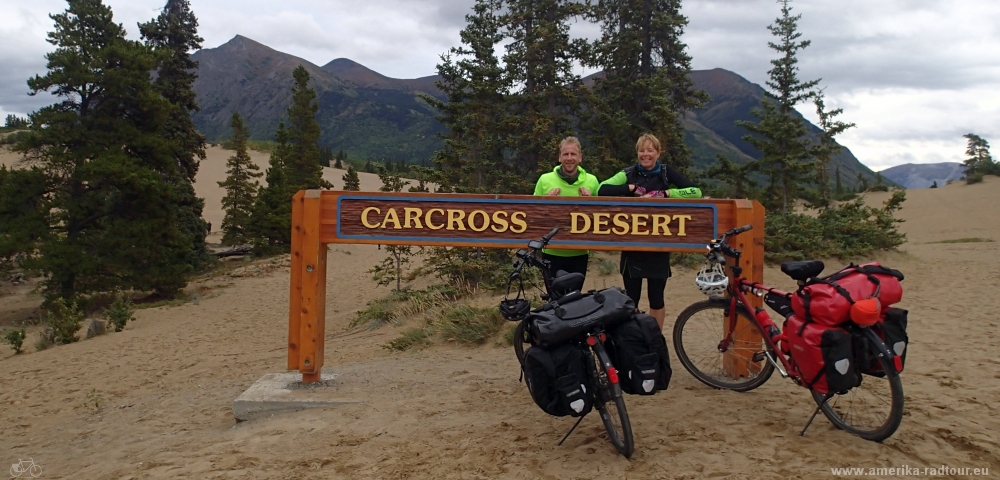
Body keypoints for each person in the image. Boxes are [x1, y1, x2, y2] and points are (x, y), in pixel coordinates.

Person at [598, 133, 703, 329]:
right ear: (637, 153)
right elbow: (601, 189)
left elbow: (695, 191)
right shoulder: (629, 173)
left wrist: (665, 194)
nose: (645, 154)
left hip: (658, 245)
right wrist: (629, 188)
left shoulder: (665, 172)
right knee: (631, 299)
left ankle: (655, 338)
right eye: (642, 150)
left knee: (656, 298)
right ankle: (635, 340)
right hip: (632, 246)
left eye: (650, 150)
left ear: (658, 152)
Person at [533, 136, 600, 279]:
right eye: (566, 154)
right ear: (559, 157)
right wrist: (546, 202)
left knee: (575, 299)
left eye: (573, 154)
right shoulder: (545, 180)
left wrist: (590, 204)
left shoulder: (592, 181)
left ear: (580, 157)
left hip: (579, 251)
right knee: (554, 299)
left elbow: (601, 218)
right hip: (551, 250)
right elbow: (532, 215)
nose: (569, 158)